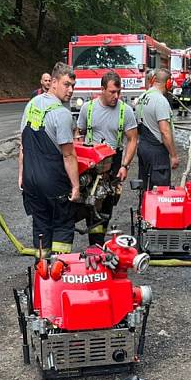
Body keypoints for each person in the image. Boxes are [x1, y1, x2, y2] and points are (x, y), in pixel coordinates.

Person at [18, 63, 79, 256]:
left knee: (41, 226)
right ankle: (60, 271)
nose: (70, 90)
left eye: (73, 86)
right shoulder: (62, 114)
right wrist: (76, 186)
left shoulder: (31, 105)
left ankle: (42, 272)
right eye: (66, 84)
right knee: (62, 224)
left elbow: (23, 145)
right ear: (53, 82)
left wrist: (22, 175)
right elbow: (68, 155)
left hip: (31, 181)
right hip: (53, 182)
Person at [75, 71, 138, 245]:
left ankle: (97, 242)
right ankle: (94, 242)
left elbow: (133, 139)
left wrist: (125, 165)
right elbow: (78, 135)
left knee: (106, 205)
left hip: (112, 162)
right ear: (102, 89)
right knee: (87, 202)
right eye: (112, 92)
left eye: (119, 92)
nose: (116, 96)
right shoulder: (87, 108)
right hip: (90, 162)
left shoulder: (125, 111)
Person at [135, 68, 179, 189]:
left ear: (154, 80)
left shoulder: (142, 97)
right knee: (160, 191)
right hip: (157, 152)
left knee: (144, 187)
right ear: (168, 83)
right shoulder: (160, 101)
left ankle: (143, 207)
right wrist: (173, 155)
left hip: (143, 146)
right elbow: (165, 131)